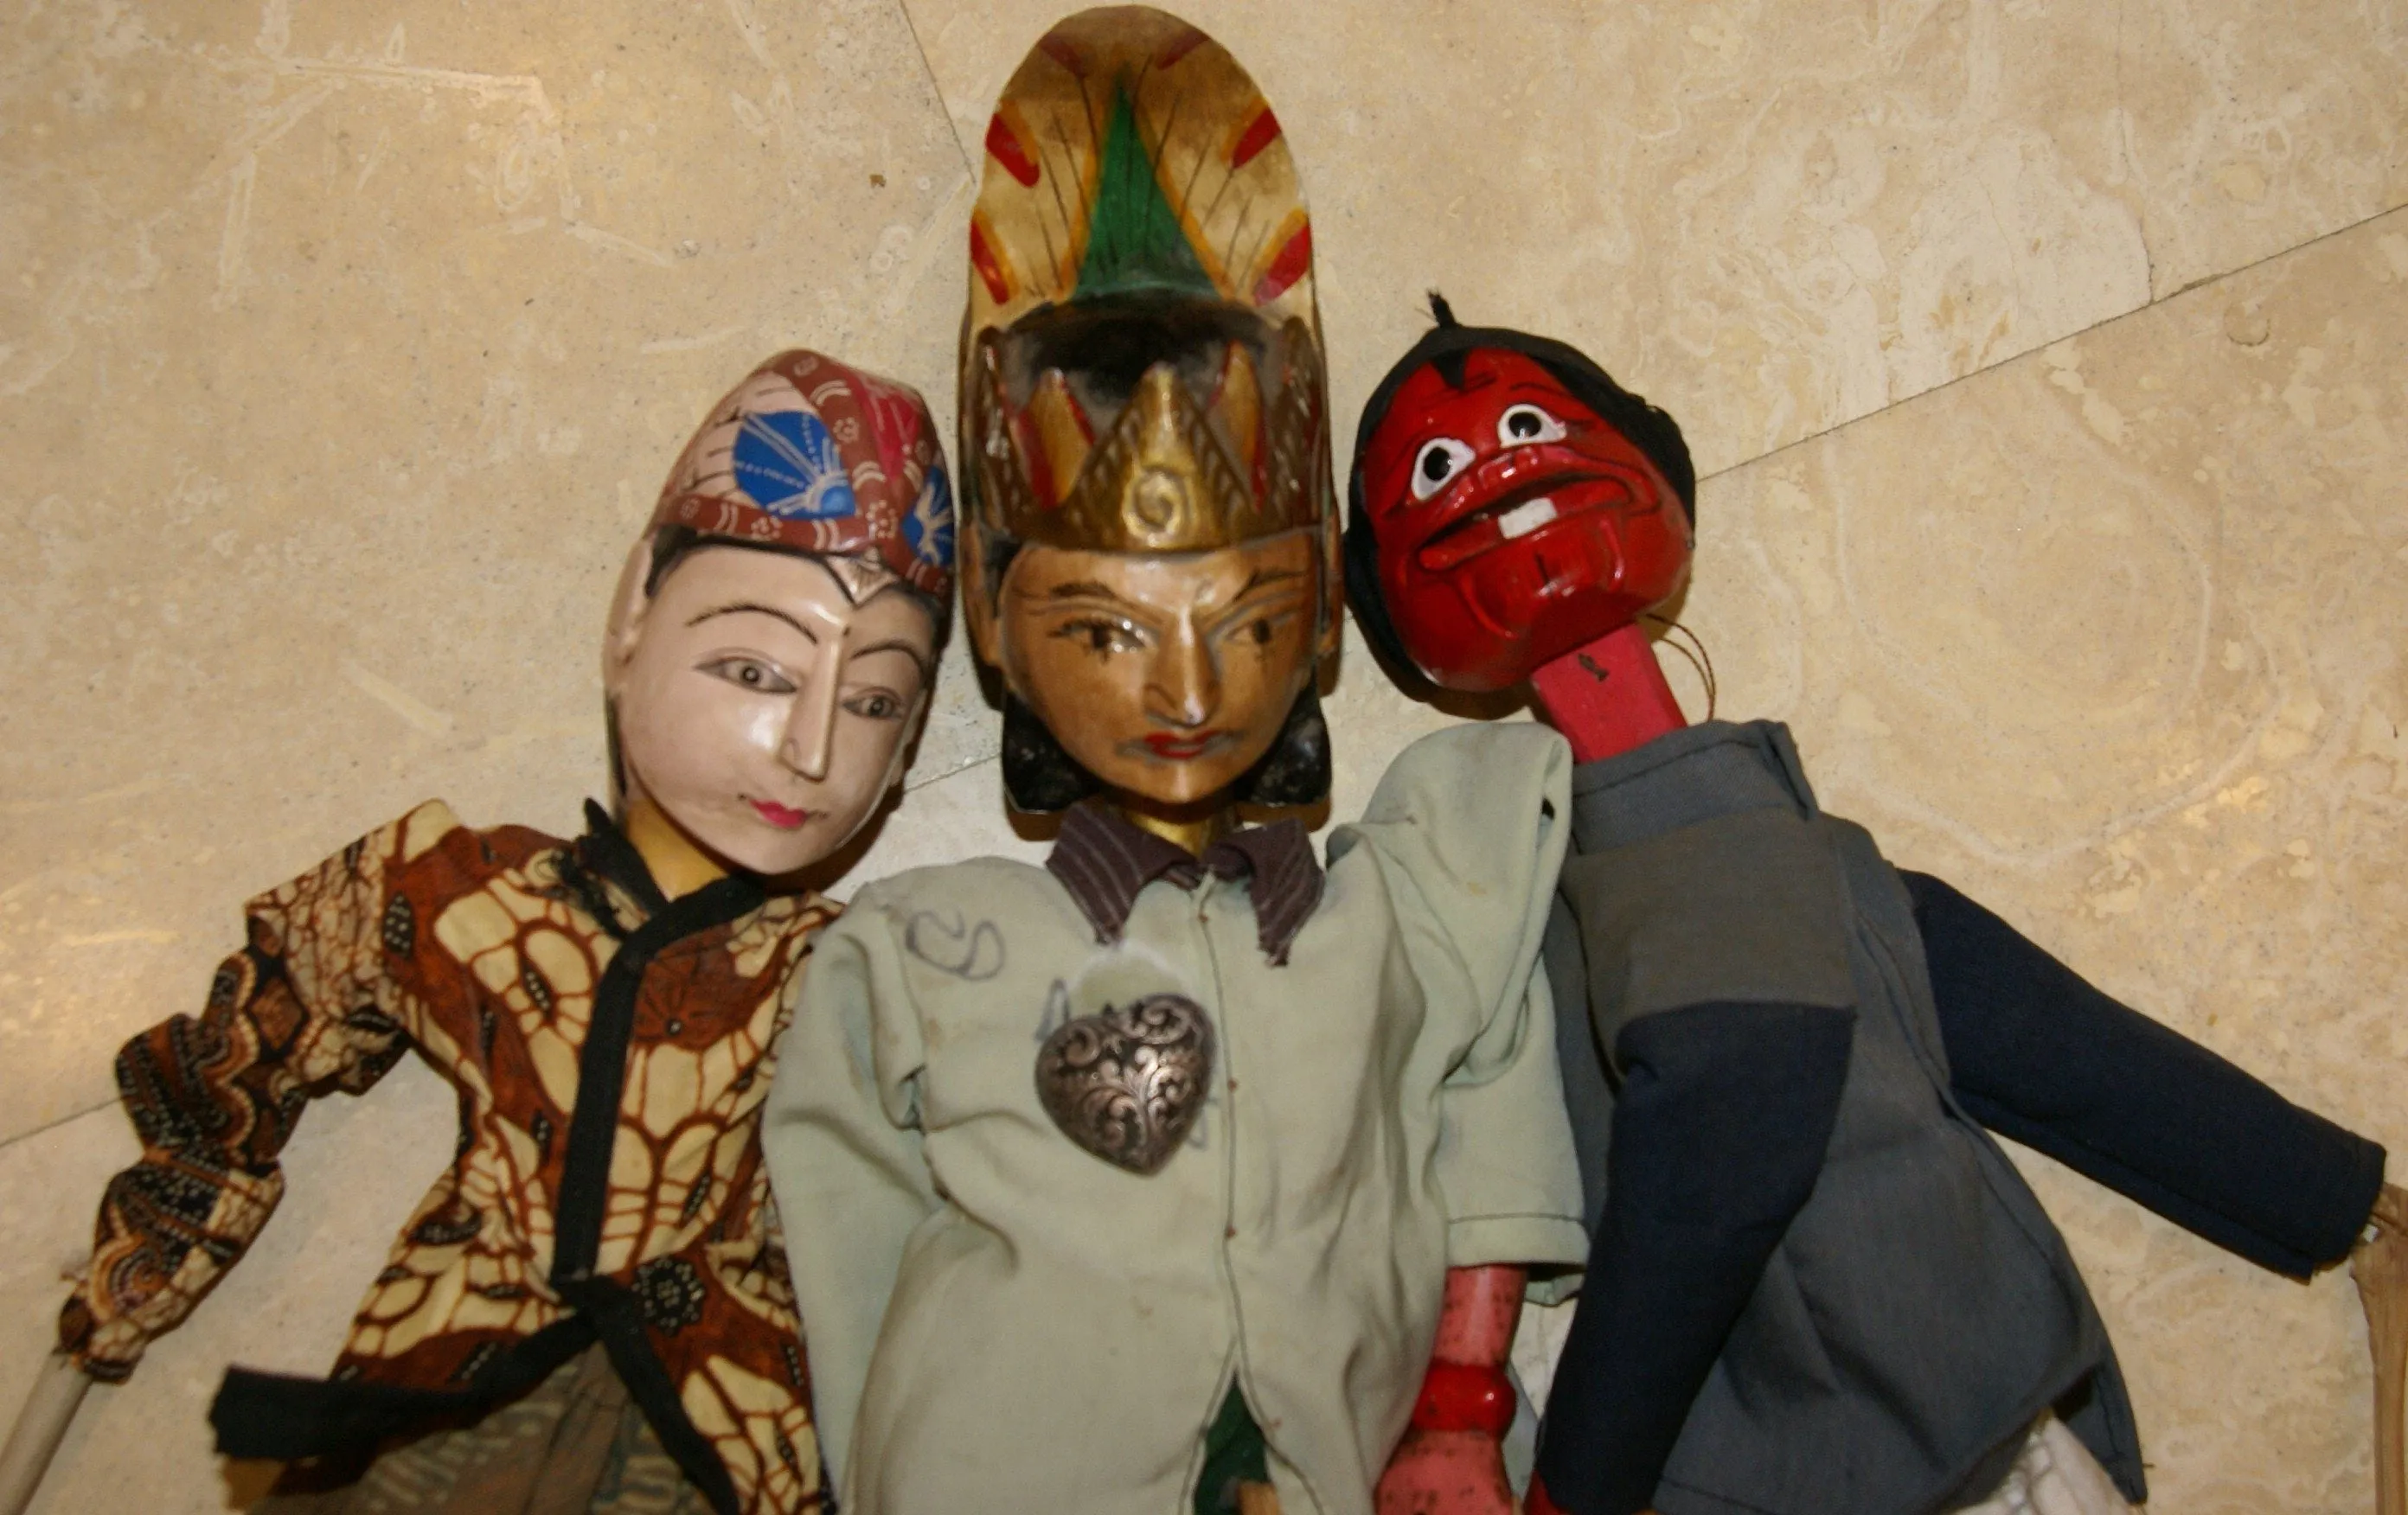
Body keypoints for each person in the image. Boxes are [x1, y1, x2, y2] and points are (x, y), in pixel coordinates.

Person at [1342, 300, 2408, 1515]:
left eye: (1529, 424)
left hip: (1894, 1434)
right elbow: (1876, 1036)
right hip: (1915, 1427)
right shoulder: (1533, 872)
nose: (1497, 475)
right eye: (1435, 471)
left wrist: (1579, 1481)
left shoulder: (1735, 854)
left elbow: (1944, 1031)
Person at [759, 13, 1585, 1514]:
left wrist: (1462, 1398)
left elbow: (1489, 1121)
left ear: (1324, 611)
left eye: (1249, 616)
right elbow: (841, 1242)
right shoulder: (911, 958)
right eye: (1107, 627)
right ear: (998, 635)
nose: (1190, 689)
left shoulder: (1412, 912)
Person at [4, 349, 957, 1515]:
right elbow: (258, 1029)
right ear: (630, 622)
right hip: (438, 1414)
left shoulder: (869, 972)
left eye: (873, 703)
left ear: (908, 754)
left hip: (717, 1452)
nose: (811, 747)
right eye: (752, 667)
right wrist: (165, 1233)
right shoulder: (460, 892)